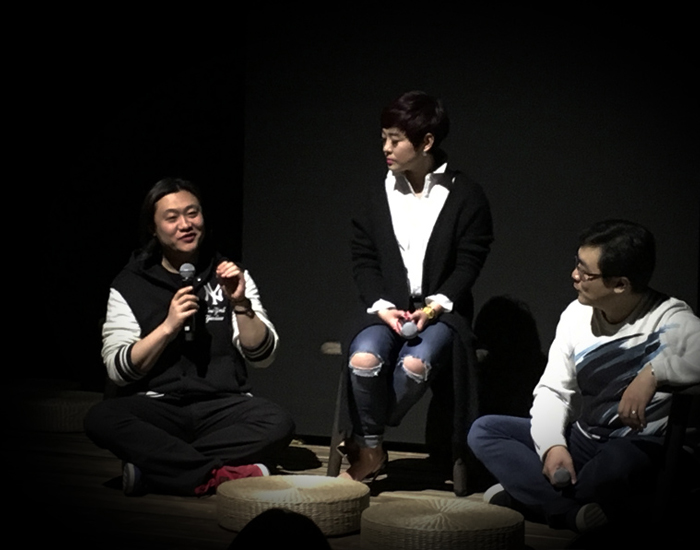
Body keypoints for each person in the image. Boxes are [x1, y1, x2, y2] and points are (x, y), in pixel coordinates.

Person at [467, 219, 700, 533]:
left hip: (645, 446)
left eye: (585, 272)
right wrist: (552, 446)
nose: (574, 275)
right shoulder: (576, 315)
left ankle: (529, 497)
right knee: (485, 431)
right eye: (577, 263)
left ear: (620, 284)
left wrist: (654, 372)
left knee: (614, 465)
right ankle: (569, 511)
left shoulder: (669, 318)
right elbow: (553, 390)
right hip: (587, 440)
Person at [84, 178, 294, 496]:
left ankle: (157, 469)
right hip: (158, 408)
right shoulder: (130, 284)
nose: (185, 224)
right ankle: (219, 474)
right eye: (172, 218)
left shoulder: (228, 273)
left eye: (192, 213)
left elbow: (262, 356)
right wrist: (167, 327)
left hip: (222, 405)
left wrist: (240, 303)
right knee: (100, 418)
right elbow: (119, 370)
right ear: (153, 228)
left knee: (278, 422)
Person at [339, 91, 493, 481]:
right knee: (363, 360)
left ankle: (364, 435)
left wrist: (435, 306)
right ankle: (372, 450)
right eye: (384, 138)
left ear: (426, 141)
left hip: (442, 313)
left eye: (395, 140)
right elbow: (364, 258)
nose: (386, 148)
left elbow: (470, 262)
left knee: (413, 365)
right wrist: (381, 305)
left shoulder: (465, 194)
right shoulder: (377, 192)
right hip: (386, 308)